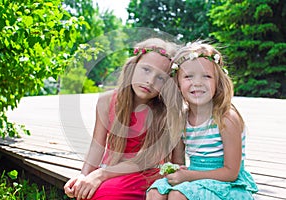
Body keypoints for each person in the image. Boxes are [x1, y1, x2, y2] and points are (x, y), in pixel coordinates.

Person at [64, 38, 186, 200]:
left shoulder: (167, 112)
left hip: (147, 174)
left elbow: (151, 159)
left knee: (107, 195)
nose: (150, 81)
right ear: (133, 67)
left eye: (160, 78)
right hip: (112, 169)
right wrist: (84, 174)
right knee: (91, 192)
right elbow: (97, 146)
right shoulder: (107, 101)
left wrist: (101, 174)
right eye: (146, 70)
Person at [146, 41, 258, 200]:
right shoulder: (181, 121)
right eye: (188, 76)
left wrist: (188, 176)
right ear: (178, 84)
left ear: (217, 82)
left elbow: (231, 172)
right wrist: (174, 173)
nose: (197, 83)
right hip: (195, 178)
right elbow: (178, 164)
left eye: (206, 76)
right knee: (155, 192)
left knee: (178, 195)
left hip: (226, 184)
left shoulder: (226, 118)